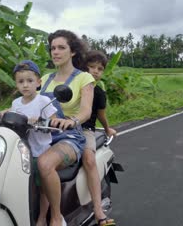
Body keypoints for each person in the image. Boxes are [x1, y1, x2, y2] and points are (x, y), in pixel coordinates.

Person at [0, 60, 58, 221]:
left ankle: (42, 217)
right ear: (16, 84)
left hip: (40, 151)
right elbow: (10, 112)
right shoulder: (16, 103)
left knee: (41, 186)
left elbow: (54, 120)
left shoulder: (43, 101)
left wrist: (41, 120)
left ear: (38, 83)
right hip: (20, 151)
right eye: (21, 81)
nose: (25, 85)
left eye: (30, 81)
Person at [36, 29, 95, 226]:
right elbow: (25, 101)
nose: (56, 52)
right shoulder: (44, 79)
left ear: (73, 52)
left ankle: (55, 217)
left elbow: (86, 111)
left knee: (44, 164)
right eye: (53, 48)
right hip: (42, 135)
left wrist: (73, 120)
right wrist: (0, 112)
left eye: (61, 47)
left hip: (69, 137)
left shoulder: (84, 78)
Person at [81, 50, 117, 226]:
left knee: (89, 160)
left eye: (99, 69)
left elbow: (101, 116)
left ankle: (97, 210)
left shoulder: (99, 93)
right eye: (91, 67)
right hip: (65, 128)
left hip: (86, 130)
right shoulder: (74, 86)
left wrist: (107, 128)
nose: (95, 71)